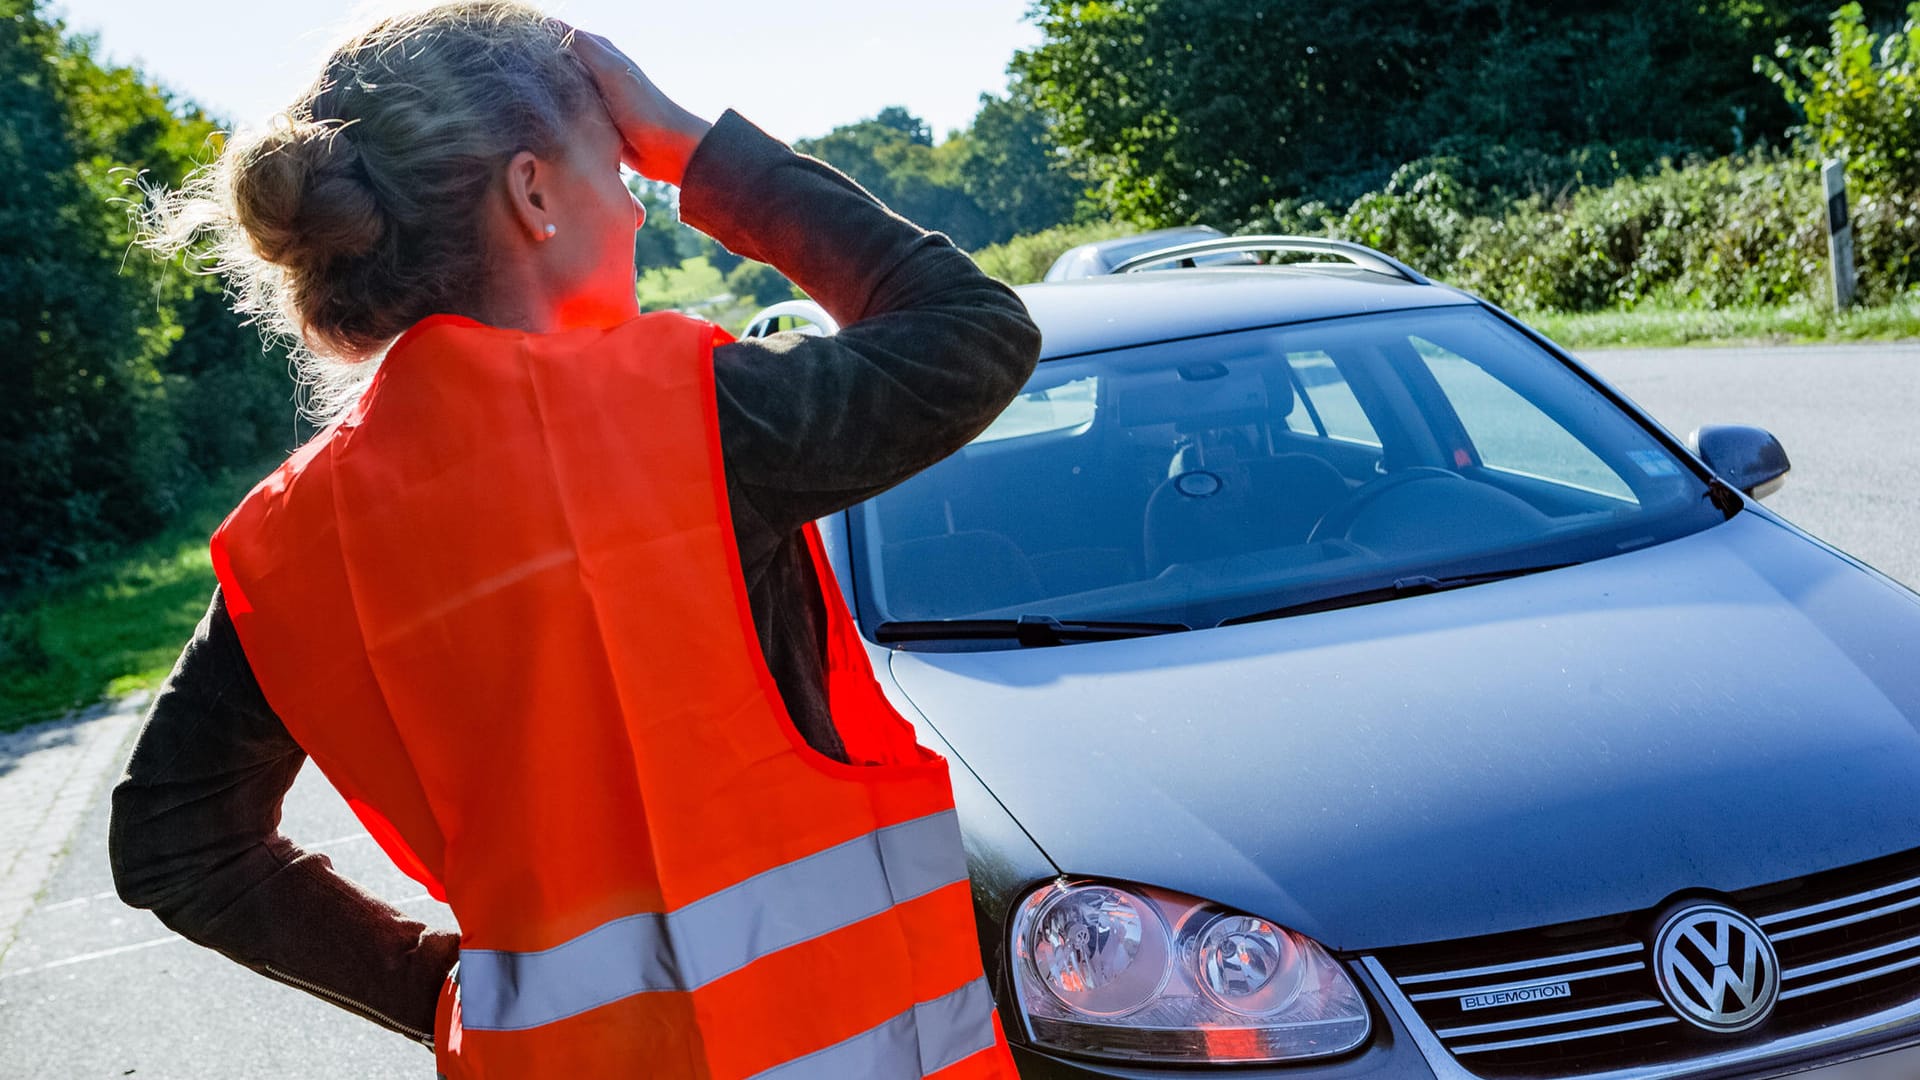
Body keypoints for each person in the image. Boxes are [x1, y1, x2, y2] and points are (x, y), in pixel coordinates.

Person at [109, 3, 1040, 1076]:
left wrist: (440, 989)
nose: (644, 212)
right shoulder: (691, 418)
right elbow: (973, 333)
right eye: (626, 169)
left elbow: (173, 845)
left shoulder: (287, 542)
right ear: (533, 193)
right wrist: (701, 148)